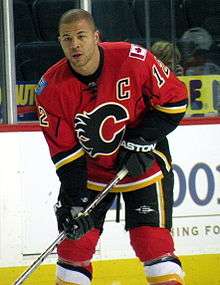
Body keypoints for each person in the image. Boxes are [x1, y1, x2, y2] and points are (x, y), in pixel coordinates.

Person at [35, 9, 188, 285]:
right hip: (91, 173)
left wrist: (141, 140)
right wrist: (75, 203)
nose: (75, 44)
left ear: (96, 36)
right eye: (67, 39)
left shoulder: (133, 58)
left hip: (144, 167)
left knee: (152, 242)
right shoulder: (49, 88)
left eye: (81, 36)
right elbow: (66, 155)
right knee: (75, 246)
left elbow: (175, 101)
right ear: (59, 42)